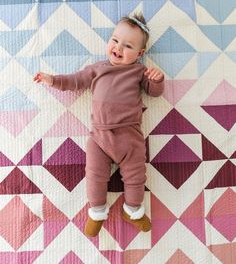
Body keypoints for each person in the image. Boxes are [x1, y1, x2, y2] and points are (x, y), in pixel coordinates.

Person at [34, 13, 164, 237]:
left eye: (128, 45)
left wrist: (157, 79)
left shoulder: (138, 71)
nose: (118, 48)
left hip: (129, 136)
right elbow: (74, 81)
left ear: (140, 54)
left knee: (136, 175)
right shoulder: (97, 69)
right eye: (115, 40)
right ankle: (97, 211)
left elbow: (154, 93)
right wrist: (52, 80)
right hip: (100, 137)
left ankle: (132, 210)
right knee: (95, 174)